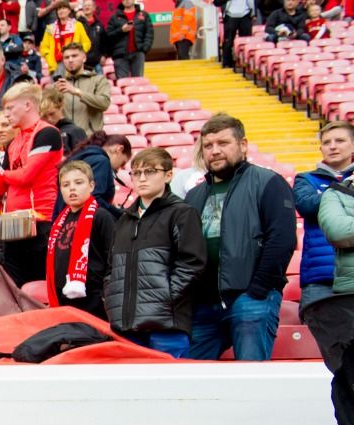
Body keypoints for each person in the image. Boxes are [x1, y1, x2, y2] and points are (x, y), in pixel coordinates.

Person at [184, 114, 297, 360]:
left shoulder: (268, 182)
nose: (214, 151)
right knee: (189, 377)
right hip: (203, 303)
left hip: (250, 297)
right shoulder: (194, 195)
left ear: (243, 145)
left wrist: (257, 289)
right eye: (208, 146)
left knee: (251, 377)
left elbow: (282, 239)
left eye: (223, 143)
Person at [104, 147, 207, 356]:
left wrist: (166, 298)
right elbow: (110, 269)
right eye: (136, 173)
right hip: (126, 326)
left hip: (167, 326)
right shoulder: (123, 220)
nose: (142, 178)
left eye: (150, 171)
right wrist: (112, 299)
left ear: (168, 175)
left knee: (172, 387)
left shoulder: (182, 213)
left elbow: (192, 264)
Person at [296, 123, 354, 417]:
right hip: (321, 283)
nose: (332, 146)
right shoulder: (305, 179)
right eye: (327, 141)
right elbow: (308, 206)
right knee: (343, 367)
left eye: (340, 140)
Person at [0, 83, 63, 286]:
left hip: (39, 220)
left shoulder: (48, 134)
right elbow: (0, 188)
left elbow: (27, 176)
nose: (6, 114)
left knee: (38, 286)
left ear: (28, 105)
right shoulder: (14, 142)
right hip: (13, 223)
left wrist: (1, 172)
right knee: (13, 289)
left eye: (10, 108)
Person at [46, 160, 114, 318]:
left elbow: (113, 257)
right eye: (65, 185)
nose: (72, 189)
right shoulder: (59, 221)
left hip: (93, 301)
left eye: (78, 183)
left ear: (91, 186)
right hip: (64, 298)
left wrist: (105, 295)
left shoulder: (101, 216)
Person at [53, 43, 110, 137]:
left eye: (74, 56)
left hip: (90, 138)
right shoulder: (57, 85)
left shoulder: (98, 79)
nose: (70, 60)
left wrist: (77, 92)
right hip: (65, 138)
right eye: (66, 58)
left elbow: (104, 104)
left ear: (84, 58)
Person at [107, 0, 154, 77]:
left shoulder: (144, 15)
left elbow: (149, 33)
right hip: (120, 55)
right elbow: (109, 36)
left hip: (138, 53)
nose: (127, 0)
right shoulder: (114, 17)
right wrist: (121, 30)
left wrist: (144, 49)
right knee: (122, 82)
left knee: (138, 81)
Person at [40, 87, 86, 154]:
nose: (49, 119)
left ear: (61, 107)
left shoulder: (75, 132)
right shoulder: (40, 134)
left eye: (52, 114)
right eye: (44, 116)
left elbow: (83, 160)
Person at [220, 0, 256, 68]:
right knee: (228, 41)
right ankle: (227, 63)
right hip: (230, 15)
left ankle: (246, 63)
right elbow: (217, 2)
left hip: (245, 14)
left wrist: (253, 13)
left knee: (246, 42)